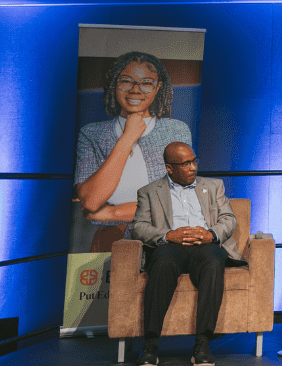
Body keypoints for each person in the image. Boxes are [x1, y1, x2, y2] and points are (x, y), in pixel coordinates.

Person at [131, 141, 244, 366]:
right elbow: (138, 226)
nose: (193, 167)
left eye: (194, 161)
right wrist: (167, 235)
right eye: (185, 164)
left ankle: (202, 344)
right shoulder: (149, 191)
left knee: (213, 262)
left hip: (205, 245)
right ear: (169, 168)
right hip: (171, 246)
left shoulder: (213, 186)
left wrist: (211, 234)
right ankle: (150, 346)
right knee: (162, 264)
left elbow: (228, 218)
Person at [74, 51, 193, 252]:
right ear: (115, 84)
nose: (135, 90)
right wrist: (128, 137)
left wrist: (111, 213)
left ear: (158, 88)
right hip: (107, 242)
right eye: (126, 81)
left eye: (146, 83)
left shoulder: (176, 131)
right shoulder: (92, 134)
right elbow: (91, 201)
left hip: (163, 241)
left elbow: (178, 203)